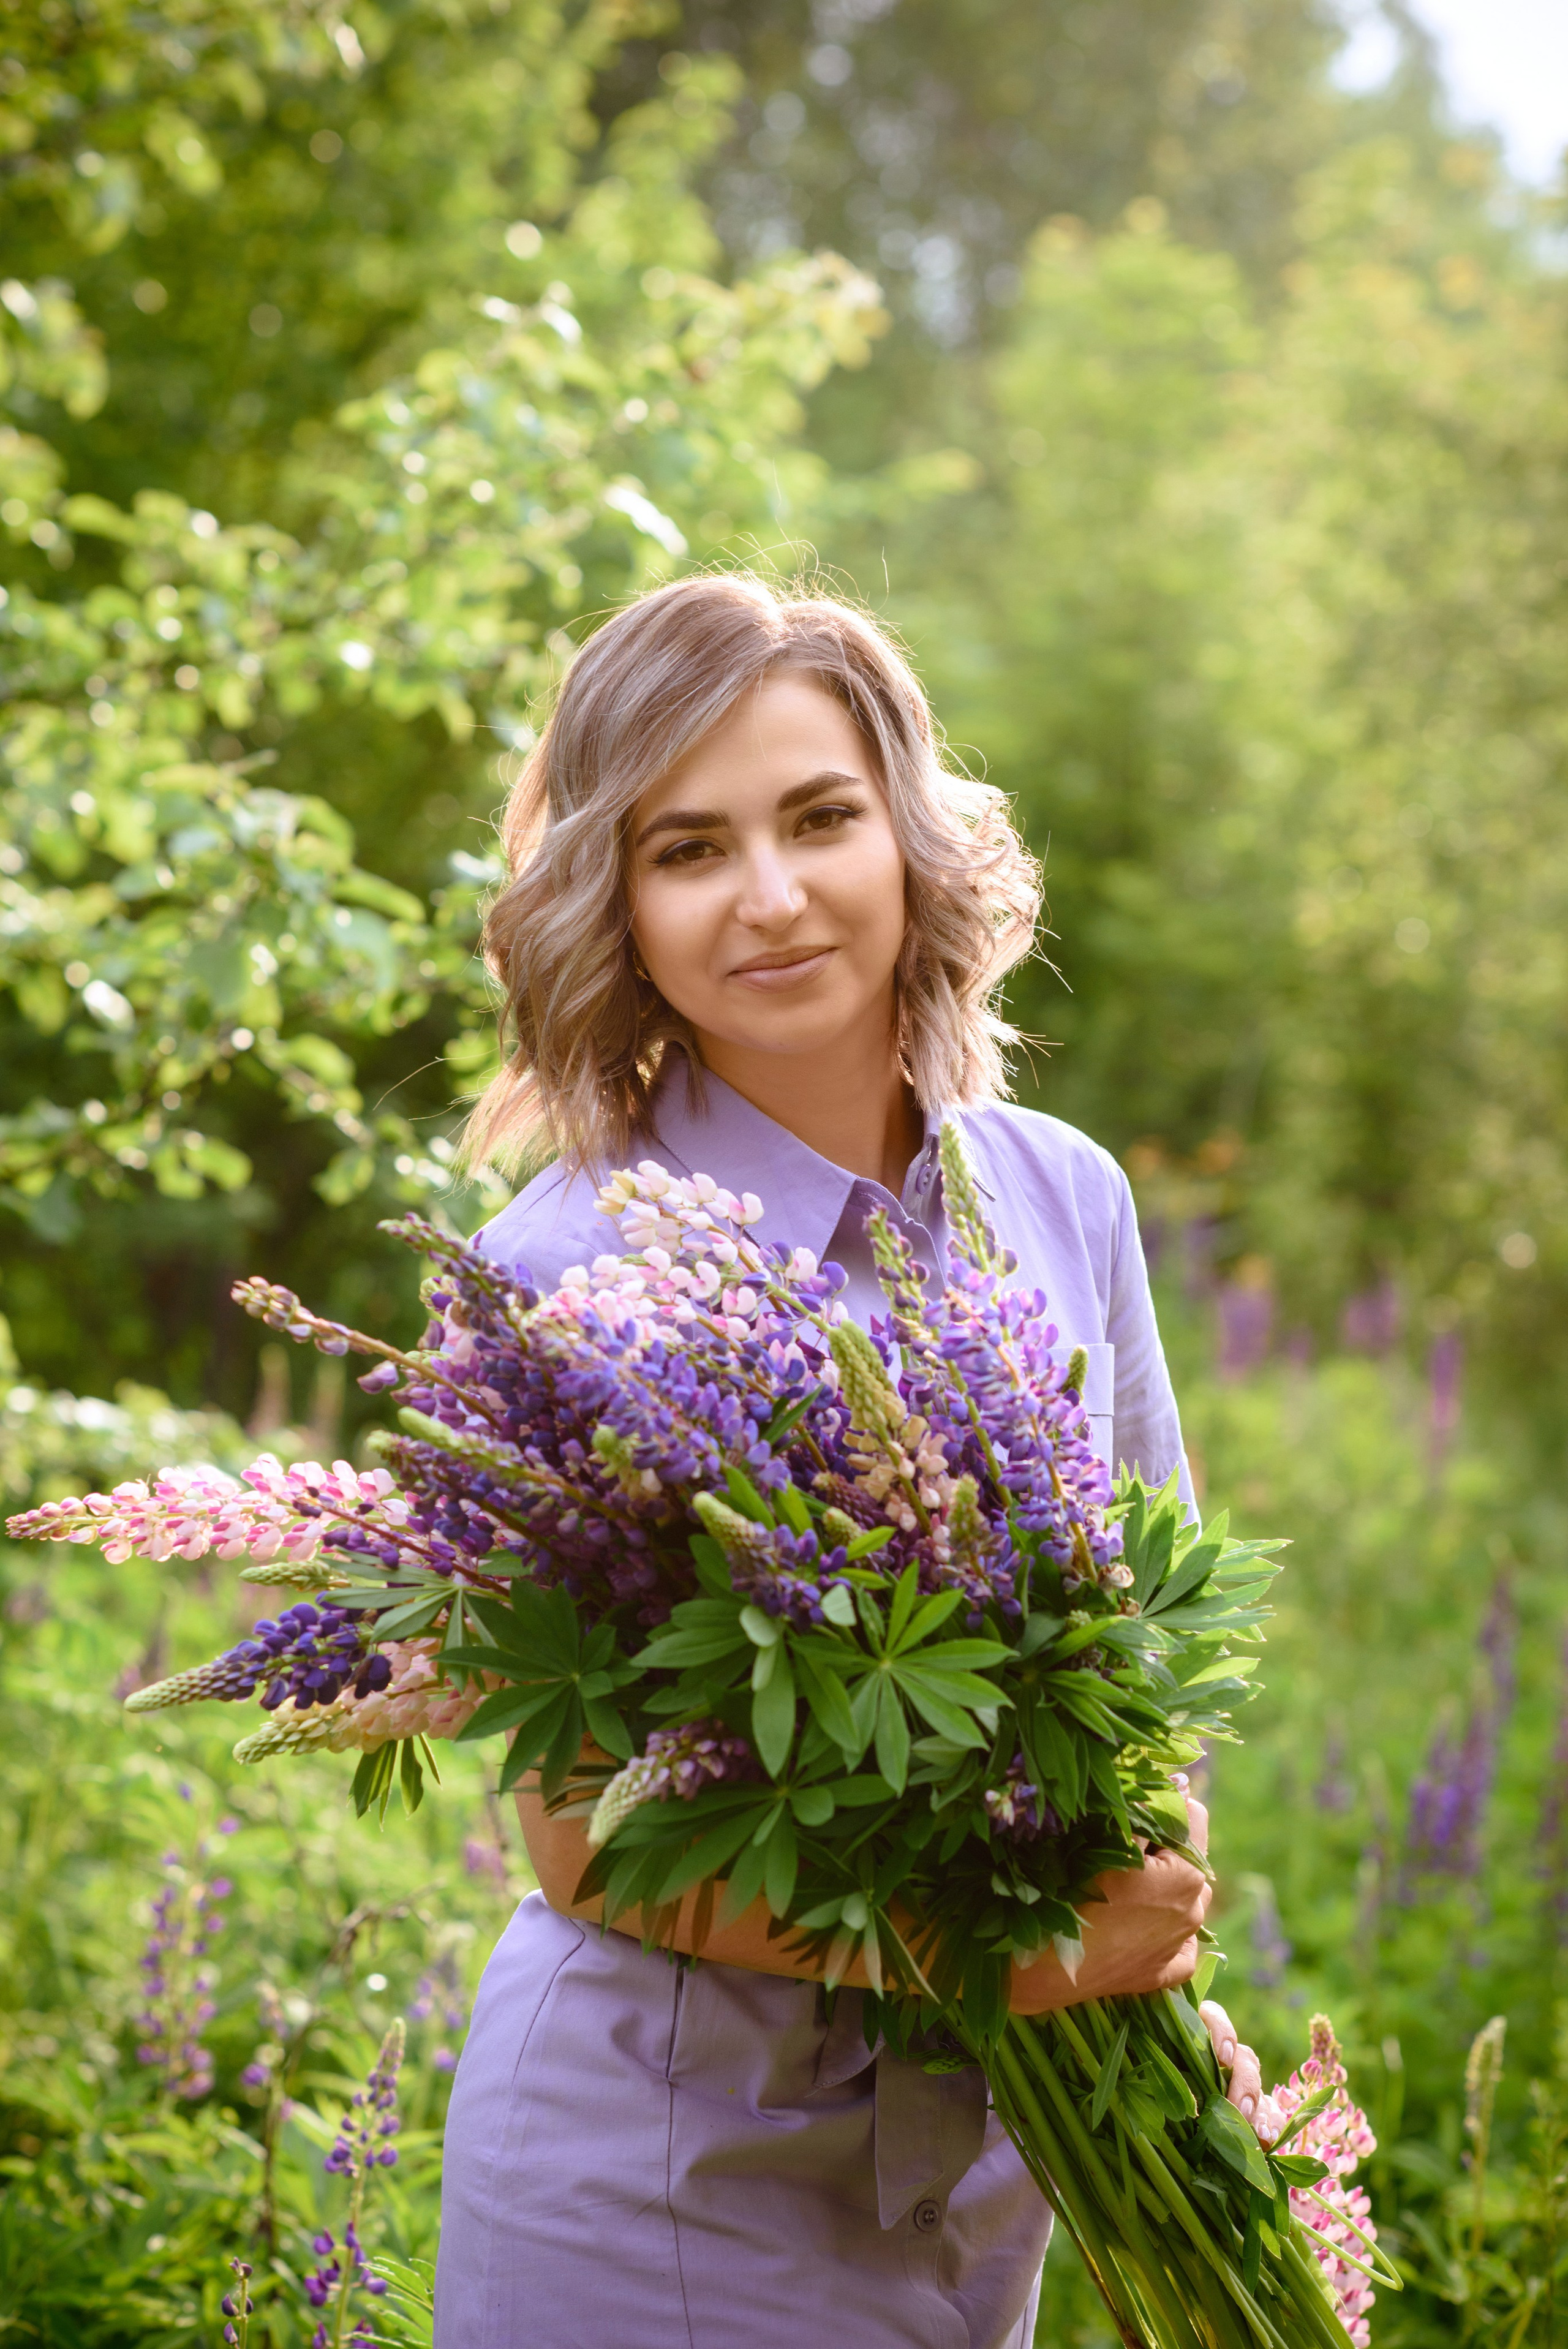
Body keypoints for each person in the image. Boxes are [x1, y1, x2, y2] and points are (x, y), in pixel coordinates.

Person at [434, 575, 1263, 2349]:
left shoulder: (1063, 1192)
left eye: (821, 816)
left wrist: (1155, 1883)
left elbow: (1148, 1654)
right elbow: (586, 1836)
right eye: (690, 847)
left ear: (908, 830)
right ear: (615, 901)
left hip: (996, 2172)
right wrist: (1023, 1958)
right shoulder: (554, 1277)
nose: (776, 895)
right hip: (663, 2174)